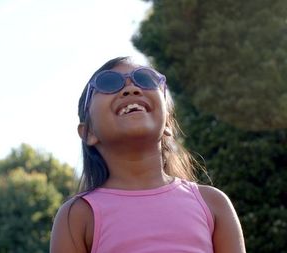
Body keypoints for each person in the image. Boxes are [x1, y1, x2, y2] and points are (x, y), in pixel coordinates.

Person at [50, 57, 246, 253]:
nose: (131, 89)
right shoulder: (77, 216)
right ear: (88, 132)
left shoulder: (212, 204)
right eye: (108, 83)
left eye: (145, 79)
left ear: (168, 123)